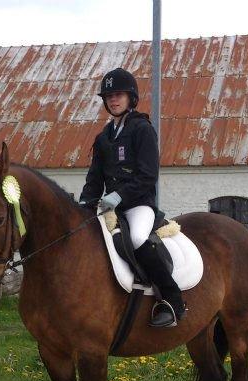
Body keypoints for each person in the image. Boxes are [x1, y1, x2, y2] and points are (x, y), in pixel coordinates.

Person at [79, 67, 185, 328]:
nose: (113, 100)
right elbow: (94, 179)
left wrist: (118, 196)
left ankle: (171, 300)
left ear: (131, 97)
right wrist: (84, 204)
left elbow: (148, 175)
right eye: (109, 96)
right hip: (110, 208)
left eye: (119, 95)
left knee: (137, 238)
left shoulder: (142, 129)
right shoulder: (103, 137)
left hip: (138, 205)